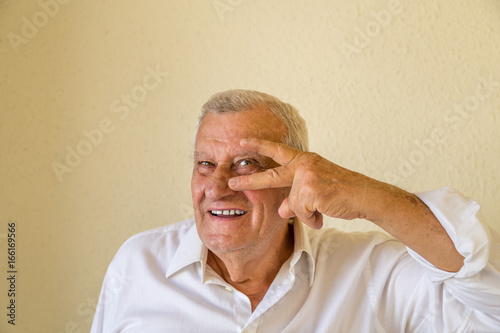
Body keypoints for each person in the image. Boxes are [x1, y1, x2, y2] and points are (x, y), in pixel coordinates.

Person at [91, 89, 500, 332]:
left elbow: (491, 304)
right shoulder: (137, 264)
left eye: (246, 164)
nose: (216, 188)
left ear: (298, 177)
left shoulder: (373, 271)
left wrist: (364, 195)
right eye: (205, 164)